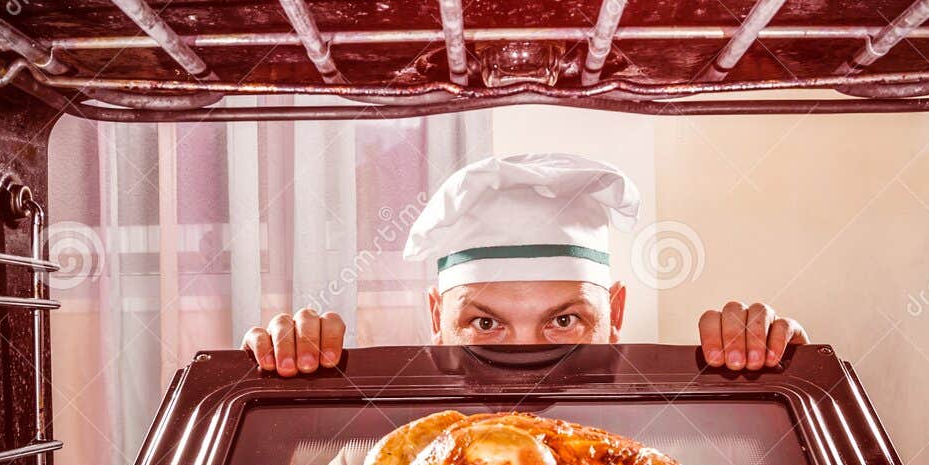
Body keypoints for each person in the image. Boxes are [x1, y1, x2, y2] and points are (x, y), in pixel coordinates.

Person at [242, 152, 807, 375]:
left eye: (564, 320)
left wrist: (781, 380)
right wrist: (285, 390)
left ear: (615, 313)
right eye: (485, 322)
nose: (526, 363)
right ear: (436, 318)